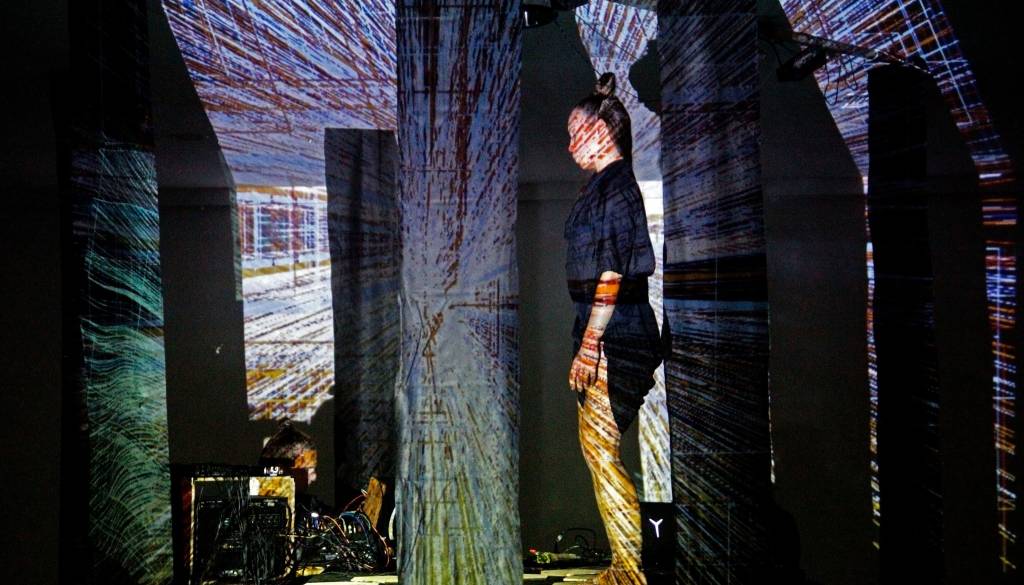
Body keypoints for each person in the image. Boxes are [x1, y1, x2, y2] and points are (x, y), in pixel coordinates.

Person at [564, 72, 662, 585]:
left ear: (602, 130)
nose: (569, 145)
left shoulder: (619, 189)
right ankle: (624, 565)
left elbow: (611, 275)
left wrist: (589, 347)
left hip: (617, 337)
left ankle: (629, 569)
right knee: (598, 453)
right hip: (604, 332)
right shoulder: (604, 188)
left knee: (601, 452)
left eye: (575, 132)